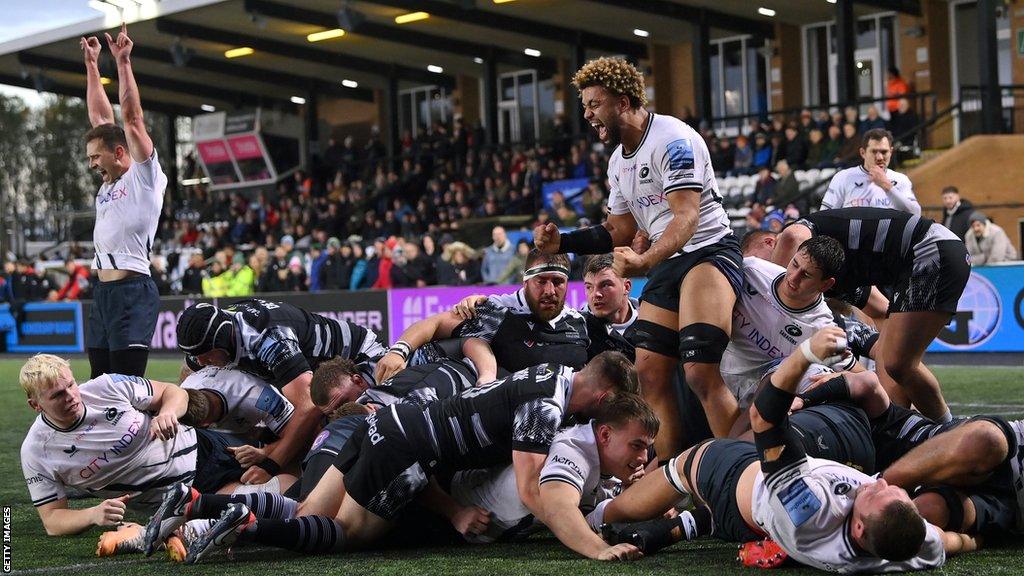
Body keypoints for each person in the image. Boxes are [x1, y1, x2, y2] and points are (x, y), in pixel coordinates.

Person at [148, 353, 638, 563]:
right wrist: (593, 547)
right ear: (604, 395)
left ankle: (197, 501)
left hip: (381, 424)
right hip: (404, 451)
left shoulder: (552, 372)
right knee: (344, 536)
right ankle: (242, 521)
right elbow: (536, 492)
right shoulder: (546, 405)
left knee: (306, 513)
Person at [600, 327, 976, 572]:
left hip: (734, 485)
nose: (879, 483)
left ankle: (599, 515)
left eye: (877, 494)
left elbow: (764, 418)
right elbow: (947, 541)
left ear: (858, 527)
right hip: (759, 525)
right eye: (894, 491)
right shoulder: (910, 544)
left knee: (684, 466)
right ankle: (691, 525)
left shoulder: (808, 508)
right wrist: (970, 540)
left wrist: (804, 356)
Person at [537, 57, 743, 452]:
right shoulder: (617, 161)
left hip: (709, 251)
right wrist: (561, 243)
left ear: (625, 101)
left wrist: (646, 262)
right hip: (668, 261)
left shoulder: (673, 139)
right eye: (585, 106)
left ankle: (740, 472)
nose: (587, 115)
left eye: (594, 104)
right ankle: (672, 475)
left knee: (700, 373)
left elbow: (686, 216)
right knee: (648, 377)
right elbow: (619, 229)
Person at [772, 207, 969, 423]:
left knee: (899, 364)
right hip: (926, 255)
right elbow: (882, 310)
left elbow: (793, 236)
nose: (795, 277)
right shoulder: (828, 279)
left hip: (931, 250)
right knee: (891, 382)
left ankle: (948, 429)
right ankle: (901, 432)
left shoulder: (787, 258)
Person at [19, 354, 250, 537]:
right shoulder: (36, 451)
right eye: (58, 395)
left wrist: (168, 412)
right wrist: (93, 514)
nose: (71, 396)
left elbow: (174, 392)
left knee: (277, 476)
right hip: (173, 502)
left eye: (71, 384)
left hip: (205, 449)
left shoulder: (106, 386)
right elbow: (52, 520)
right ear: (35, 405)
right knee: (260, 509)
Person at [175, 299, 386, 485]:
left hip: (361, 362)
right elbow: (190, 369)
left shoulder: (270, 339)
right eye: (195, 355)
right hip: (317, 371)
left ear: (222, 340)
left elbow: (310, 406)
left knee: (332, 432)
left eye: (205, 355)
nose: (201, 362)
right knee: (281, 425)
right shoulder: (217, 334)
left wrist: (270, 463)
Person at [81, 24, 166, 378]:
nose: (91, 164)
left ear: (119, 153)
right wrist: (91, 66)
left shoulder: (143, 177)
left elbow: (131, 119)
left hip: (132, 292)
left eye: (95, 157)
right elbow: (103, 120)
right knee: (100, 385)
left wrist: (123, 61)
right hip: (102, 293)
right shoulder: (109, 180)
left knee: (125, 386)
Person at [377, 250, 590, 383]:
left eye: (558, 282)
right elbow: (435, 323)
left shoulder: (579, 323)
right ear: (525, 282)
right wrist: (398, 351)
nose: (550, 291)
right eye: (541, 281)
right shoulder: (496, 311)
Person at [820, 128, 920, 215]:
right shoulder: (843, 177)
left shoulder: (901, 179)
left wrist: (887, 186)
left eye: (884, 152)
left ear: (891, 152)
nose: (880, 157)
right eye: (874, 152)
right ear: (863, 153)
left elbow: (916, 213)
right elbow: (824, 215)